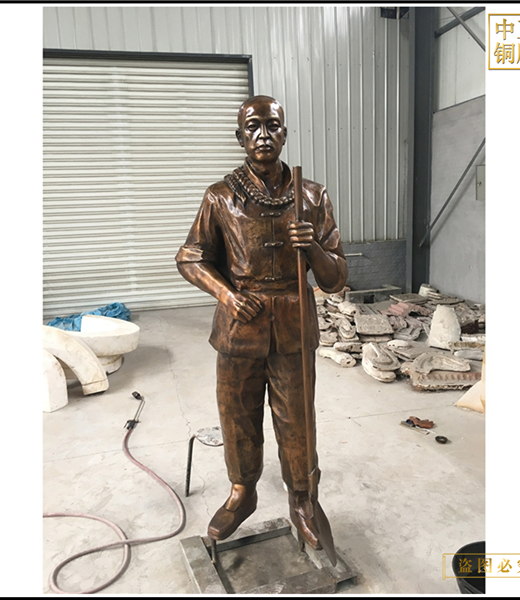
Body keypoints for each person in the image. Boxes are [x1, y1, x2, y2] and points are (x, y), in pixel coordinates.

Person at [176, 95, 347, 549]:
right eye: (253, 127)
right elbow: (190, 257)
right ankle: (242, 491)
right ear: (240, 138)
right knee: (237, 416)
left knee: (298, 419)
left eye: (272, 126)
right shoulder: (220, 196)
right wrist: (228, 295)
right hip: (239, 327)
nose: (263, 135)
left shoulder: (312, 196)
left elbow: (335, 279)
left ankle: (303, 498)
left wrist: (312, 247)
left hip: (293, 327)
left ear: (285, 133)